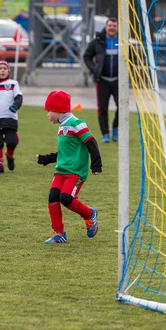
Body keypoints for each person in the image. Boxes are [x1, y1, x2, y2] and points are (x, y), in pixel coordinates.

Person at [36, 90, 102, 244]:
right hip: (61, 170)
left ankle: (89, 214)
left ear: (59, 110)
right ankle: (59, 234)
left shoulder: (76, 123)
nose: (47, 114)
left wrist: (96, 164)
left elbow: (91, 142)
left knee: (66, 198)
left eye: (49, 111)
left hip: (75, 171)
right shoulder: (62, 126)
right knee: (53, 197)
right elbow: (64, 152)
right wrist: (46, 159)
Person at [83, 17, 119, 143]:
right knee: (102, 108)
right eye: (110, 25)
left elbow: (132, 58)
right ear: (106, 27)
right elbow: (86, 56)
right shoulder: (97, 42)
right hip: (102, 80)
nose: (112, 28)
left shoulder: (123, 41)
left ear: (117, 27)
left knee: (122, 106)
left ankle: (115, 127)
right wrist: (94, 69)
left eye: (114, 25)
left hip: (119, 81)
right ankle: (105, 134)